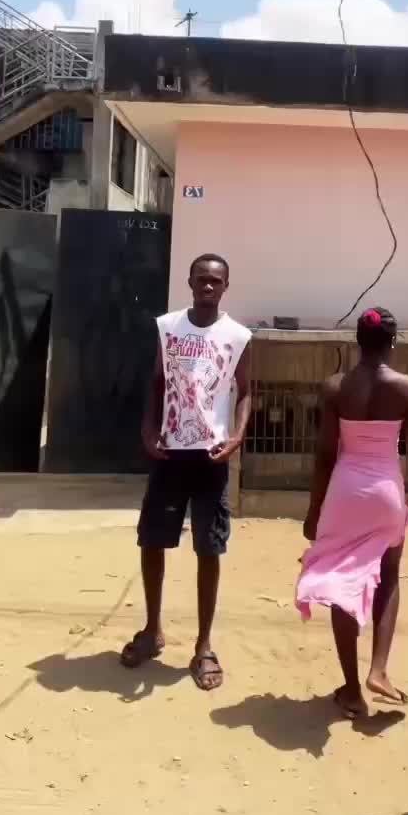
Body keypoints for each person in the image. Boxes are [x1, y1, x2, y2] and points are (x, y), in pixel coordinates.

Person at [121, 254, 251, 691]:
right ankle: (152, 629)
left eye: (216, 280)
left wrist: (236, 437)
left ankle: (204, 645)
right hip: (169, 453)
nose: (208, 286)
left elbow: (246, 391)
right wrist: (147, 427)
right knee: (152, 540)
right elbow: (157, 381)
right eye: (201, 279)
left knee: (209, 548)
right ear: (189, 282)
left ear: (226, 286)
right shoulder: (168, 327)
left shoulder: (238, 336)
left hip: (211, 456)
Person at [296, 307, 408, 719]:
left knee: (340, 582)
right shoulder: (407, 388)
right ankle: (379, 669)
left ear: (357, 341)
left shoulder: (335, 387)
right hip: (386, 491)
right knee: (389, 575)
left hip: (345, 492)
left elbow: (324, 456)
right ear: (393, 342)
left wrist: (314, 510)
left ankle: (352, 690)